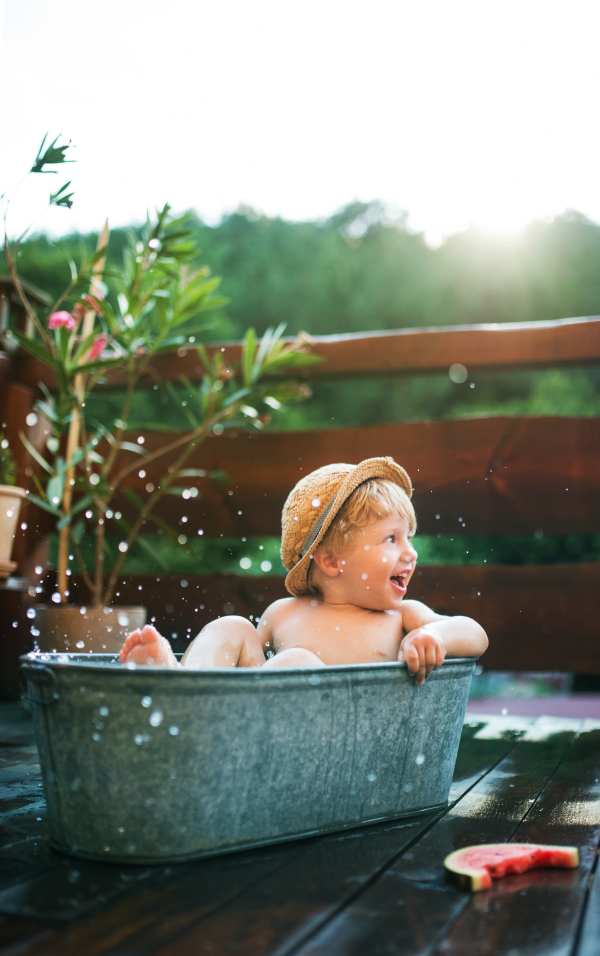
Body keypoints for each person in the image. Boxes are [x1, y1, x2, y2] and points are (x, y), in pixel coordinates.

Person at [119, 457, 488, 684]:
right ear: (330, 562)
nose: (410, 553)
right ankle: (183, 687)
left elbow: (475, 634)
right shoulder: (283, 614)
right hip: (260, 733)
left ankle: (190, 699)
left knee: (296, 663)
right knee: (231, 627)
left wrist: (434, 638)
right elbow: (246, 664)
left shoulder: (402, 617)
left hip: (340, 746)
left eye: (408, 538)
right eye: (390, 539)